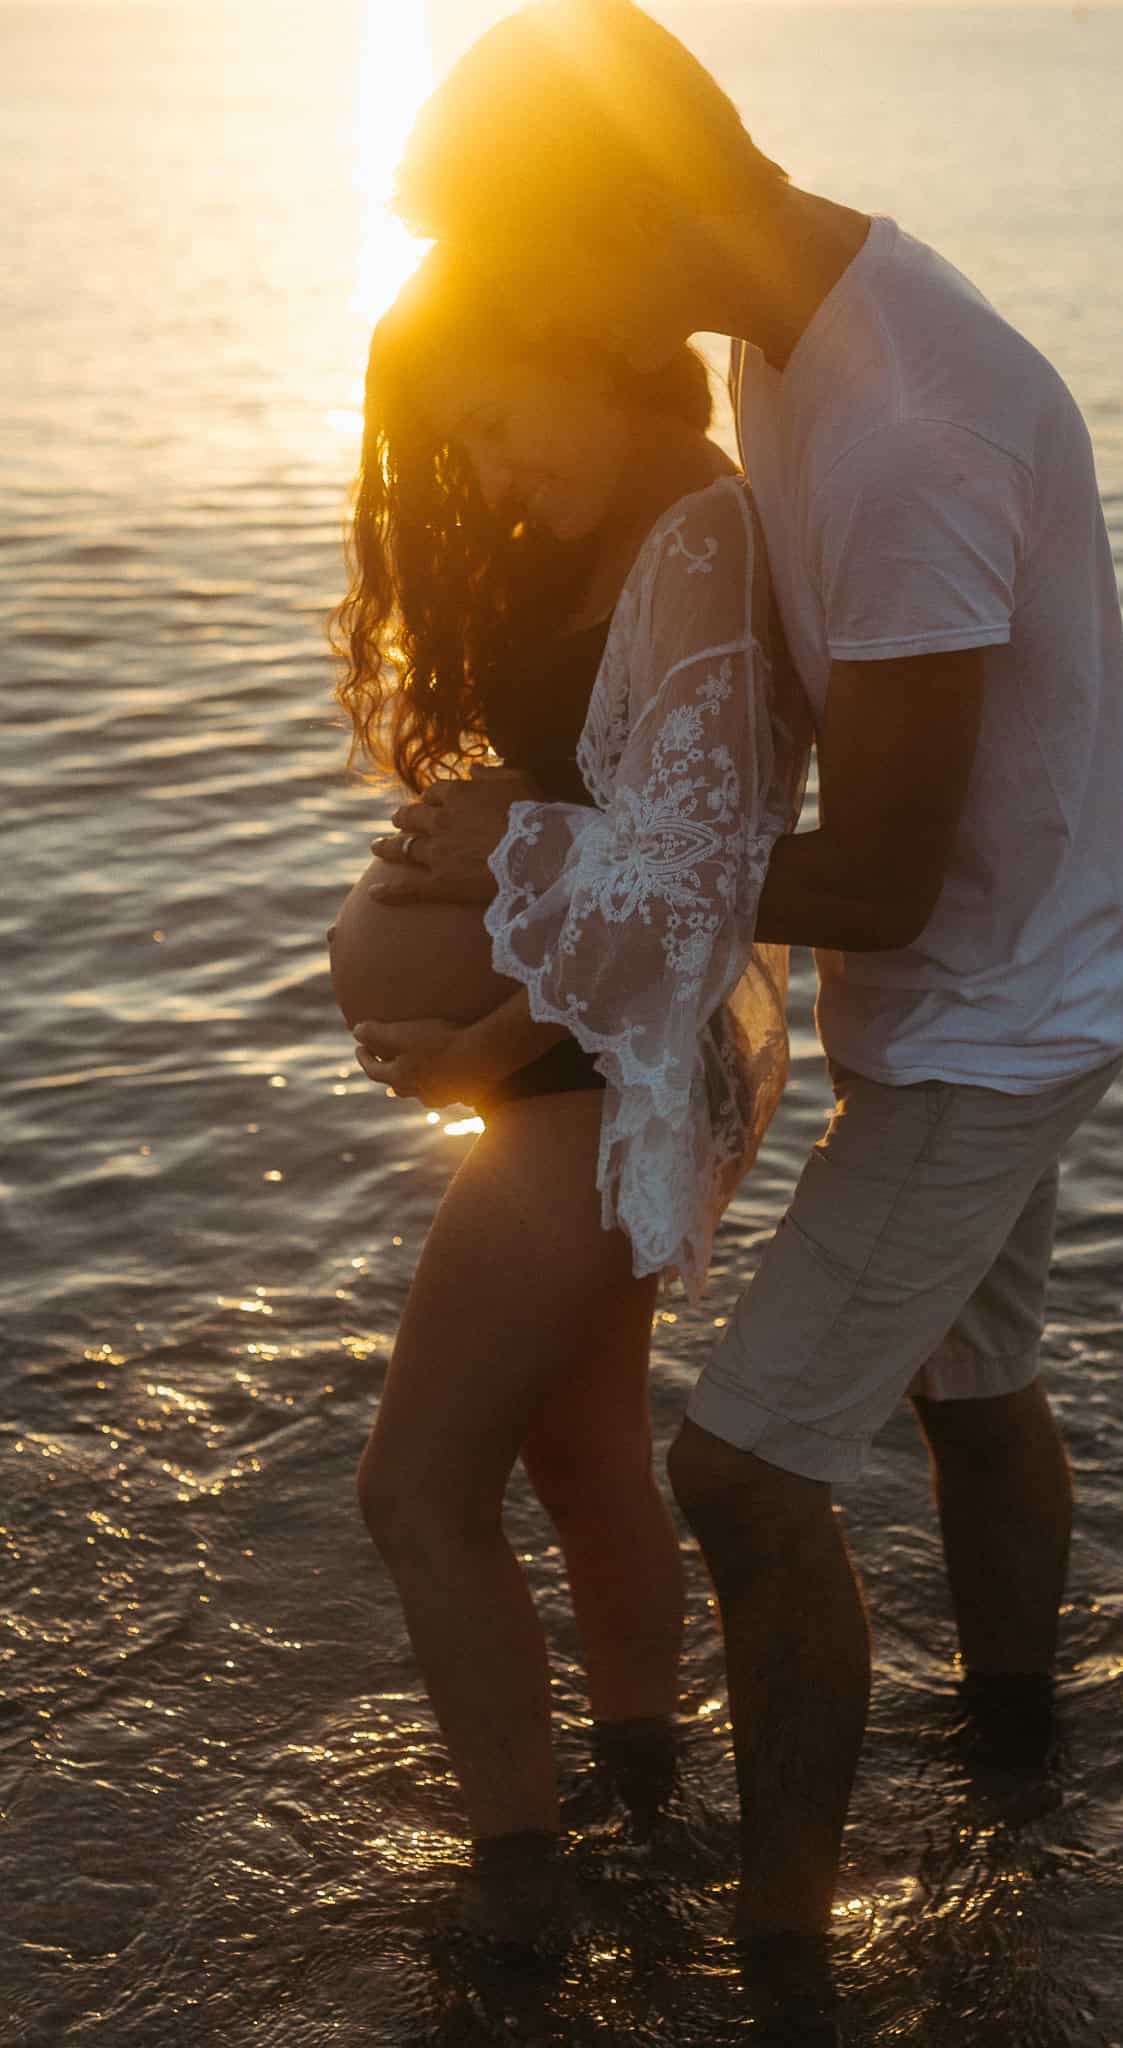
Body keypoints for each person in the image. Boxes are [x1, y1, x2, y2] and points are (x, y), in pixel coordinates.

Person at [366, 0, 1123, 2012]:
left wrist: (523, 853)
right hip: (983, 975)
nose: (532, 317)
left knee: (738, 1470)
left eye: (533, 265)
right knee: (969, 1397)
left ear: (634, 219)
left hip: (990, 1011)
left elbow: (871, 875)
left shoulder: (905, 428)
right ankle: (1015, 1764)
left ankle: (785, 1956)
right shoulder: (794, 326)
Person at [330, 242, 807, 1941]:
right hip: (585, 1055)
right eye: (453, 442)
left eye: (498, 425)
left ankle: (519, 1888)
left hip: (602, 1067)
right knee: (577, 1441)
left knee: (415, 1488)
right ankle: (639, 1780)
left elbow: (700, 869)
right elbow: (616, 801)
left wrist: (476, 1044)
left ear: (592, 349)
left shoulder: (697, 533)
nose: (482, 474)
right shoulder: (632, 522)